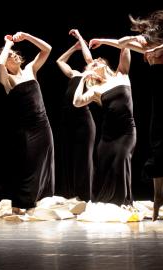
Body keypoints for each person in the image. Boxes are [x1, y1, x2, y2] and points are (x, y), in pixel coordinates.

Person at [89, 8, 163, 220]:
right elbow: (123, 42)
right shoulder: (150, 48)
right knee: (158, 149)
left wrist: (155, 49)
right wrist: (103, 41)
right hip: (160, 107)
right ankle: (159, 197)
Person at [0, 32, 55, 213]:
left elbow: (48, 49)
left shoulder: (31, 69)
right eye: (10, 55)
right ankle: (21, 203)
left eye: (14, 53)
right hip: (26, 130)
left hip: (43, 125)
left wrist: (27, 36)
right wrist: (7, 43)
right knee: (28, 164)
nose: (13, 55)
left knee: (44, 162)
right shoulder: (8, 79)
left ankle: (38, 200)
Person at [73, 46, 136, 206]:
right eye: (92, 64)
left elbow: (126, 45)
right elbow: (77, 102)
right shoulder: (96, 89)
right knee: (105, 167)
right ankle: (107, 201)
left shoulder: (121, 74)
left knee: (121, 161)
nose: (96, 61)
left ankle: (123, 202)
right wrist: (82, 78)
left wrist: (102, 41)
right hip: (108, 135)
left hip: (126, 132)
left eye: (97, 60)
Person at [55, 29, 96, 201]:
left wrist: (80, 36)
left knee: (83, 159)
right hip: (67, 119)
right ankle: (71, 195)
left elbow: (89, 59)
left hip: (83, 120)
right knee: (69, 157)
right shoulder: (75, 74)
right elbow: (60, 60)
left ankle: (85, 196)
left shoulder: (92, 77)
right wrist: (74, 47)